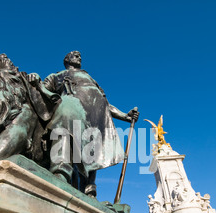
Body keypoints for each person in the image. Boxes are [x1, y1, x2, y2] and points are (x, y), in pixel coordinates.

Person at [27, 51, 139, 197]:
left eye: (79, 55)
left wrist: (125, 116)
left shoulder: (91, 79)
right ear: (66, 60)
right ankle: (60, 172)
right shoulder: (58, 76)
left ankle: (89, 187)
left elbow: (105, 105)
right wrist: (35, 78)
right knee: (63, 125)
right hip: (70, 106)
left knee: (92, 150)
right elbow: (41, 89)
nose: (79, 57)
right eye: (74, 55)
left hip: (93, 117)